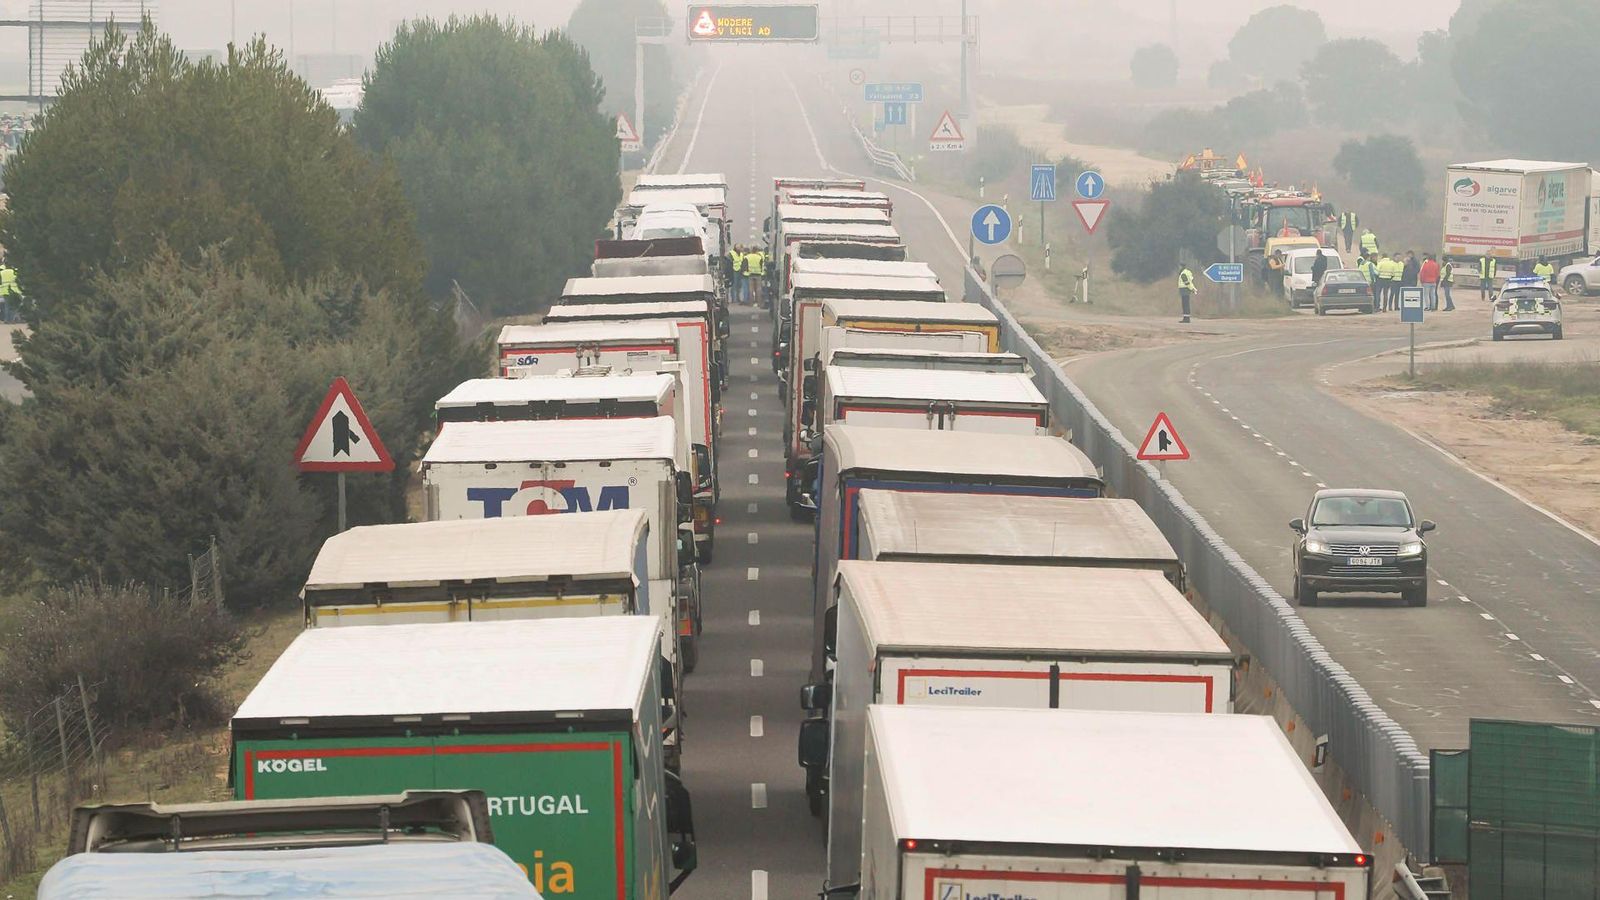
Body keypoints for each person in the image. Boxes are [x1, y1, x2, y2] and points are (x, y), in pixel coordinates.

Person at [0, 256, 18, 323]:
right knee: (14, 306)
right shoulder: (15, 271)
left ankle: (7, 319)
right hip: (14, 290)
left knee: (6, 306)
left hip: (4, 291)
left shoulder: (2, 272)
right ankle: (12, 319)